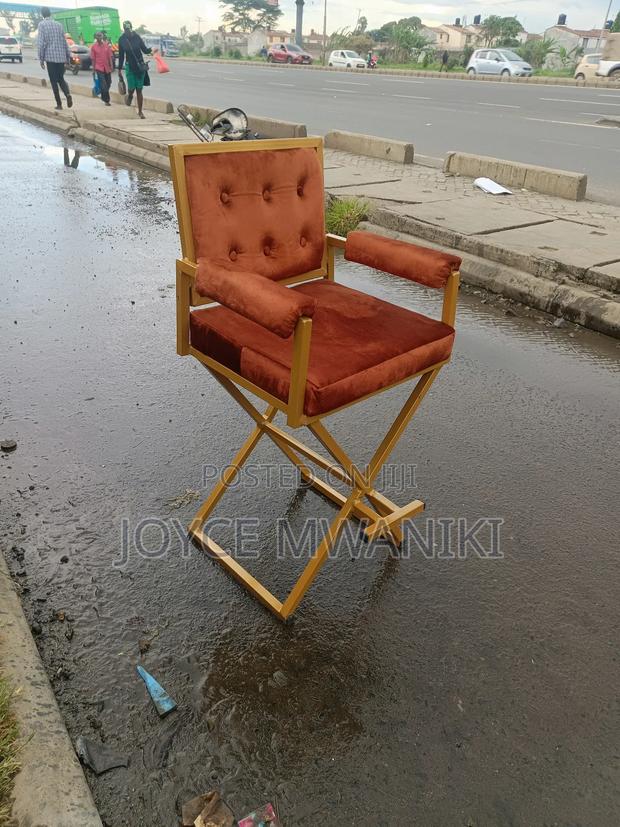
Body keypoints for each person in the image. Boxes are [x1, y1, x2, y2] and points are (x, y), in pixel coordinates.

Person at [37, 7, 72, 111]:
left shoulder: (42, 25)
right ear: (50, 14)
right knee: (60, 78)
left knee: (53, 81)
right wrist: (68, 57)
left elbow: (41, 43)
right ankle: (68, 94)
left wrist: (41, 59)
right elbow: (64, 42)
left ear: (42, 14)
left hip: (50, 57)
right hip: (61, 57)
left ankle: (59, 104)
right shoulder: (59, 25)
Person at [118, 20, 152, 119]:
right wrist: (119, 69)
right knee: (131, 88)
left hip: (140, 66)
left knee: (139, 90)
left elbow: (144, 50)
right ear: (124, 29)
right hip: (129, 66)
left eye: (129, 29)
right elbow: (121, 56)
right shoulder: (122, 39)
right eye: (126, 29)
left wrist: (152, 50)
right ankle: (129, 96)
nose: (127, 31)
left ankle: (140, 112)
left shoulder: (137, 37)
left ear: (131, 28)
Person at [90, 30, 113, 106]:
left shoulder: (106, 45)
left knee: (109, 83)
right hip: (99, 68)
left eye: (100, 35)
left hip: (107, 67)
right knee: (103, 84)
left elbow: (109, 56)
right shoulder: (93, 47)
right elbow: (93, 59)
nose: (99, 37)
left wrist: (111, 65)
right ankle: (107, 100)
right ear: (95, 37)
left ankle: (103, 96)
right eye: (98, 36)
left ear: (102, 36)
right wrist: (93, 70)